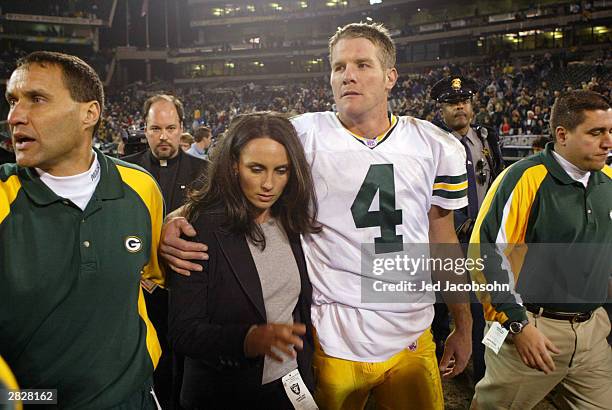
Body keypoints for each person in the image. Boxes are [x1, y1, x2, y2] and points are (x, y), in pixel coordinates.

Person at [161, 22, 473, 410]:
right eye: (339, 67)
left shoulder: (435, 144)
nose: (349, 76)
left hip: (412, 330)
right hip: (333, 337)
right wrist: (179, 214)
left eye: (362, 64)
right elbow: (234, 170)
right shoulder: (303, 135)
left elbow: (442, 237)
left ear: (391, 77)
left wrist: (464, 321)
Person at [0, 51, 165, 408]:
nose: (14, 117)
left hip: (132, 397)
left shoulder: (141, 188)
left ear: (89, 113)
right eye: (12, 101)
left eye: (37, 99)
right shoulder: (2, 197)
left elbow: (153, 274)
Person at [469, 90, 612, 409]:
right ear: (562, 134)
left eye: (610, 131)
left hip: (593, 334)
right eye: (595, 132)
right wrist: (517, 324)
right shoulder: (523, 177)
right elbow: (485, 254)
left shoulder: (609, 181)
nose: (607, 142)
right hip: (532, 328)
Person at [168, 112, 319, 409]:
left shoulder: (292, 220)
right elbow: (183, 330)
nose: (268, 184)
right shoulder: (200, 229)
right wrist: (246, 339)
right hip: (226, 393)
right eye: (257, 169)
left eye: (281, 171)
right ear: (234, 166)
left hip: (291, 387)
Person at [122, 93, 207, 409]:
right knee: (149, 366)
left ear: (182, 128)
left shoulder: (206, 171)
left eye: (170, 128)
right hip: (141, 293)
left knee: (187, 367)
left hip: (190, 288)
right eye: (156, 128)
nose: (163, 136)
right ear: (144, 129)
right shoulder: (123, 172)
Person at [429, 76, 505, 383]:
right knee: (439, 308)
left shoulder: (487, 139)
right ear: (440, 108)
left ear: (473, 105)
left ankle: (481, 376)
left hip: (481, 240)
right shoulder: (431, 143)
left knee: (480, 308)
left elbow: (497, 183)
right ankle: (438, 364)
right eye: (451, 102)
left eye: (464, 101)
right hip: (445, 240)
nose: (459, 106)